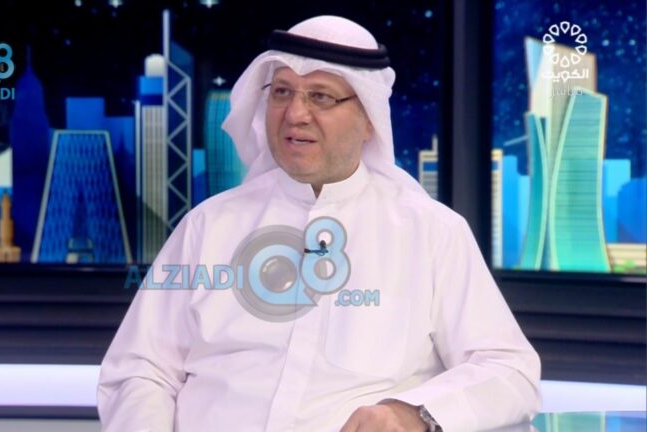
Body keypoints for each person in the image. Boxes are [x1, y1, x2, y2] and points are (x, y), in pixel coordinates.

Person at [98, 15, 541, 432]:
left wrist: (412, 413)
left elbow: (511, 370)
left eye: (321, 97)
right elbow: (140, 370)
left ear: (368, 119)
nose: (295, 114)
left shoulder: (432, 232)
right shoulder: (208, 225)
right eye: (282, 92)